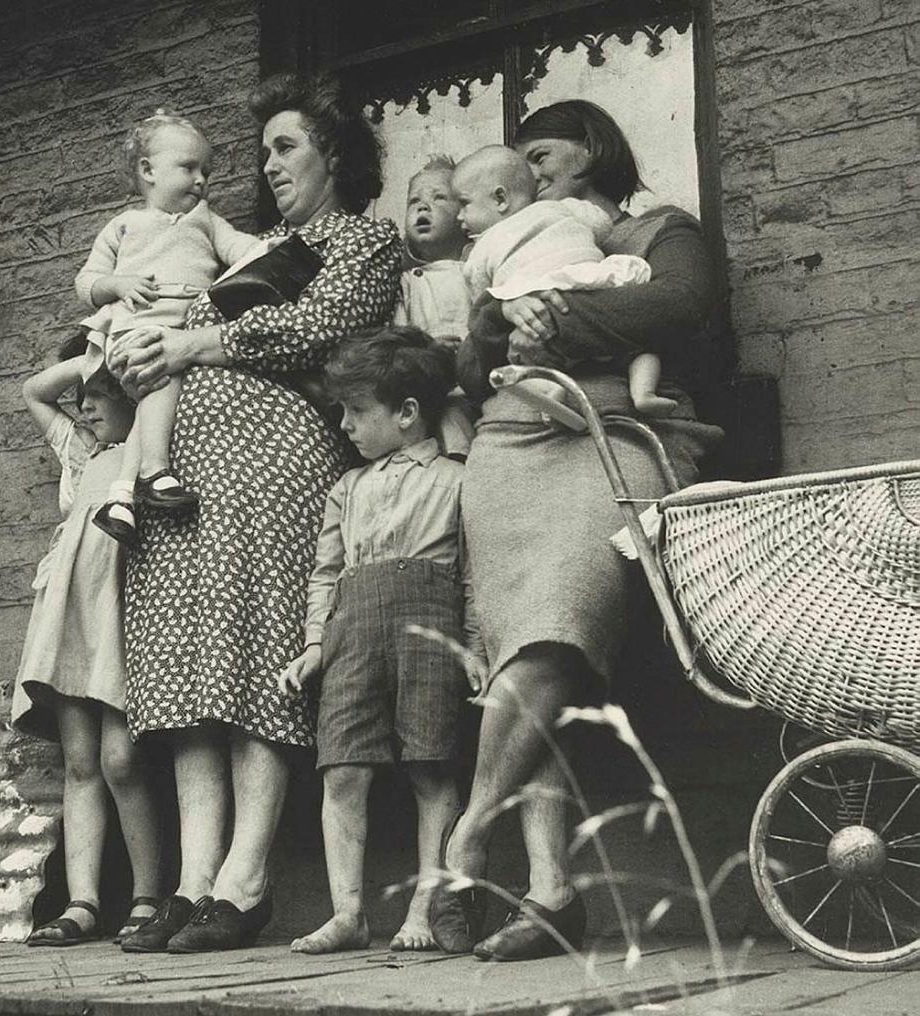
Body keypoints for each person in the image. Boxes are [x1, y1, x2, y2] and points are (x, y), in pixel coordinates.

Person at [111, 72, 401, 955]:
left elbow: (326, 327)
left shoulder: (362, 239)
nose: (269, 165)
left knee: (255, 648)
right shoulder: (250, 248)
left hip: (277, 460)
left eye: (286, 146)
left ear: (334, 154)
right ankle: (194, 879)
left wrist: (196, 342)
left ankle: (247, 876)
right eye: (264, 150)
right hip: (186, 471)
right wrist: (139, 348)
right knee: (191, 661)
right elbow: (170, 322)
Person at [430, 99, 723, 961]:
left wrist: (552, 319)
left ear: (590, 150)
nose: (526, 172)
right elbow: (471, 365)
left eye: (541, 153)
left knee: (561, 622)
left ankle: (468, 833)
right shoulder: (506, 246)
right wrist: (500, 321)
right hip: (511, 446)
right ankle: (551, 892)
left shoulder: (658, 230)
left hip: (618, 435)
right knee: (520, 646)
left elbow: (680, 305)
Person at [278, 327, 487, 955]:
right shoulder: (348, 488)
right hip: (352, 632)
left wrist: (474, 646)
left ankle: (425, 905)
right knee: (343, 768)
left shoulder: (456, 480)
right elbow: (326, 573)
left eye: (356, 410)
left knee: (431, 764)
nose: (344, 425)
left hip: (430, 629)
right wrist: (315, 644)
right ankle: (348, 912)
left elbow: (474, 573)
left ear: (407, 412)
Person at [12, 336, 162, 946]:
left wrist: (118, 363)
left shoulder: (149, 450)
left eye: (101, 394)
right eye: (82, 397)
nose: (87, 406)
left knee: (121, 760)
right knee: (80, 762)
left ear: (133, 397)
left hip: (120, 609)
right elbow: (33, 391)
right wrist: (91, 358)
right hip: (73, 614)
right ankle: (83, 902)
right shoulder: (81, 451)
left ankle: (149, 895)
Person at [75, 110, 257, 545]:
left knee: (158, 395)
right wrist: (118, 284)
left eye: (206, 171)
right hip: (136, 330)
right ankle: (155, 471)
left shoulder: (207, 220)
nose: (201, 180)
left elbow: (243, 250)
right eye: (189, 167)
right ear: (148, 171)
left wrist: (271, 249)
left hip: (182, 330)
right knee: (162, 374)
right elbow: (86, 282)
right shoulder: (125, 225)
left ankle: (121, 497)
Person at [452, 145, 674, 418]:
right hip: (591, 282)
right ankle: (643, 391)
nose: (459, 216)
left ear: (500, 198)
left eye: (463, 204)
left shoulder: (481, 248)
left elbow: (483, 300)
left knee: (517, 363)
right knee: (640, 347)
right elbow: (602, 224)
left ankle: (551, 390)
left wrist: (500, 306)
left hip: (538, 306)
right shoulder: (561, 208)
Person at [393, 157, 480, 458]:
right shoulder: (405, 283)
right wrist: (426, 352)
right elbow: (398, 340)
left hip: (478, 381)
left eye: (439, 197)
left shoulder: (476, 268)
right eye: (413, 201)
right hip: (433, 390)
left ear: (463, 213)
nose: (422, 207)